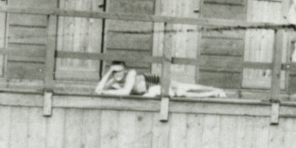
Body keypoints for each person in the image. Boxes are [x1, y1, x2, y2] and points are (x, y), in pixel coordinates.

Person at [95, 62, 226, 99]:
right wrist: (108, 73)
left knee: (186, 88)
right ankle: (215, 93)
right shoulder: (114, 80)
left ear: (125, 70)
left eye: (119, 71)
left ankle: (216, 91)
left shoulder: (131, 73)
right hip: (152, 88)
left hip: (155, 81)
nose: (117, 74)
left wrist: (104, 92)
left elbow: (125, 92)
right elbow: (97, 90)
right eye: (114, 72)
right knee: (184, 93)